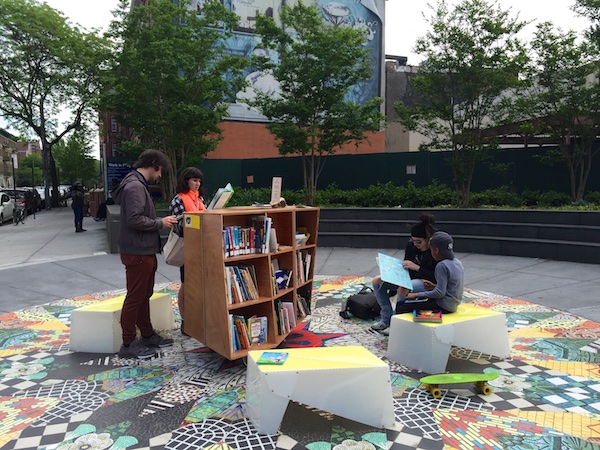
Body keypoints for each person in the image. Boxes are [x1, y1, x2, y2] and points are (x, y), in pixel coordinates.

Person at [112, 149, 178, 359]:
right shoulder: (135, 187)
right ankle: (129, 343)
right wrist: (161, 222)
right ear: (153, 164)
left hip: (141, 250)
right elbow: (134, 219)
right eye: (160, 171)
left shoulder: (135, 184)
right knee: (135, 297)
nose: (159, 176)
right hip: (138, 251)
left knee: (142, 295)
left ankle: (147, 335)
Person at [371, 213, 438, 334]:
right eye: (413, 240)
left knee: (403, 288)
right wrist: (394, 272)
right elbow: (407, 265)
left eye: (418, 241)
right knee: (377, 280)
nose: (415, 244)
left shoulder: (434, 251)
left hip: (426, 281)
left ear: (427, 240)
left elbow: (435, 275)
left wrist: (416, 267)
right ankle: (386, 318)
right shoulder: (411, 246)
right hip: (409, 277)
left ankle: (397, 322)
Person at [169, 167, 206, 335]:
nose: (197, 184)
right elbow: (181, 226)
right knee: (186, 283)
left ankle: (200, 318)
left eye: (199, 181)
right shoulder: (178, 200)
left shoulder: (200, 199)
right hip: (188, 247)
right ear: (186, 181)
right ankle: (185, 321)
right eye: (194, 180)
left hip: (203, 246)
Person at [402, 231, 464, 314]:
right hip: (453, 304)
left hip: (443, 305)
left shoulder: (441, 265)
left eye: (431, 250)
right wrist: (433, 286)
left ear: (436, 250)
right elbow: (451, 288)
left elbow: (440, 293)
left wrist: (416, 295)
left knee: (402, 306)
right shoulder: (457, 262)